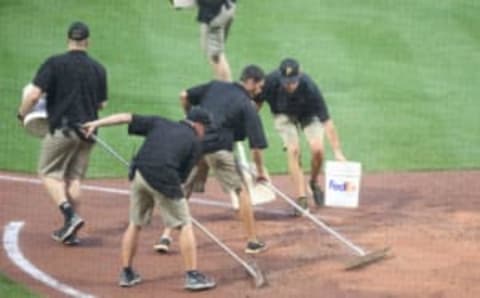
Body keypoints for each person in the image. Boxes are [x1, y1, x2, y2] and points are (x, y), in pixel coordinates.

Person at [82, 107, 216, 291]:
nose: (205, 133)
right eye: (206, 129)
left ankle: (127, 273)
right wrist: (169, 201)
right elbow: (181, 179)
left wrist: (96, 124)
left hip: (140, 174)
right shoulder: (195, 143)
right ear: (198, 125)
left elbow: (125, 116)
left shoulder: (160, 122)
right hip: (164, 178)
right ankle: (192, 276)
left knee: (135, 223)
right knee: (184, 225)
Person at [154, 64, 268, 255]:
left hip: (194, 143)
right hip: (218, 149)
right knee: (241, 190)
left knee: (184, 188)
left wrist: (189, 116)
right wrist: (261, 173)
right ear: (250, 82)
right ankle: (252, 242)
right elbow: (256, 146)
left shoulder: (216, 86)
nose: (260, 91)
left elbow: (184, 95)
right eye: (259, 86)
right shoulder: (245, 104)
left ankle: (165, 237)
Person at [17, 21, 108, 245]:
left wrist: (22, 114)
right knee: (74, 178)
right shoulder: (98, 68)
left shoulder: (55, 63)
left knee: (48, 172)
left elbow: (33, 96)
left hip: (63, 130)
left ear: (69, 40)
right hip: (89, 132)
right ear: (87, 41)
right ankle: (71, 231)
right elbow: (102, 104)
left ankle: (70, 215)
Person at [255, 58, 347, 215]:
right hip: (283, 114)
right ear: (280, 76)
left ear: (300, 75)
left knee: (317, 149)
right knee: (294, 150)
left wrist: (338, 152)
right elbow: (256, 103)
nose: (289, 85)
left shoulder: (309, 87)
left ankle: (313, 182)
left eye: (293, 82)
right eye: (286, 82)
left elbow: (327, 121)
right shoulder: (271, 82)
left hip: (308, 115)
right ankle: (301, 199)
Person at [197, 0, 236, 81]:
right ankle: (222, 82)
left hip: (215, 14)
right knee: (217, 53)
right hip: (227, 7)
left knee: (215, 55)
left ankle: (226, 88)